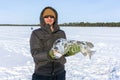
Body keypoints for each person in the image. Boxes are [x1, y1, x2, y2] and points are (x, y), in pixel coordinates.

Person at [30, 6, 80, 80]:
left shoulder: (61, 33)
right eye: (46, 16)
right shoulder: (36, 33)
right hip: (42, 73)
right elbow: (35, 53)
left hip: (60, 73)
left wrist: (70, 51)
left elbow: (63, 50)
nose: (49, 18)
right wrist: (50, 54)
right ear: (42, 18)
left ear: (55, 18)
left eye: (52, 16)